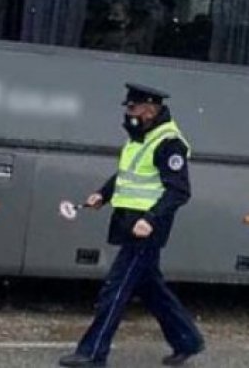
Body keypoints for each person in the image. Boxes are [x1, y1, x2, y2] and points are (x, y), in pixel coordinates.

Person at [59, 83, 205, 367]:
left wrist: (150, 220)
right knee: (150, 288)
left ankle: (92, 353)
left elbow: (179, 191)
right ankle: (187, 339)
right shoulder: (141, 137)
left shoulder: (168, 141)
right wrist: (103, 194)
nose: (129, 112)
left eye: (133, 107)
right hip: (130, 223)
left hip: (146, 229)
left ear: (150, 109)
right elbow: (126, 175)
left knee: (115, 289)